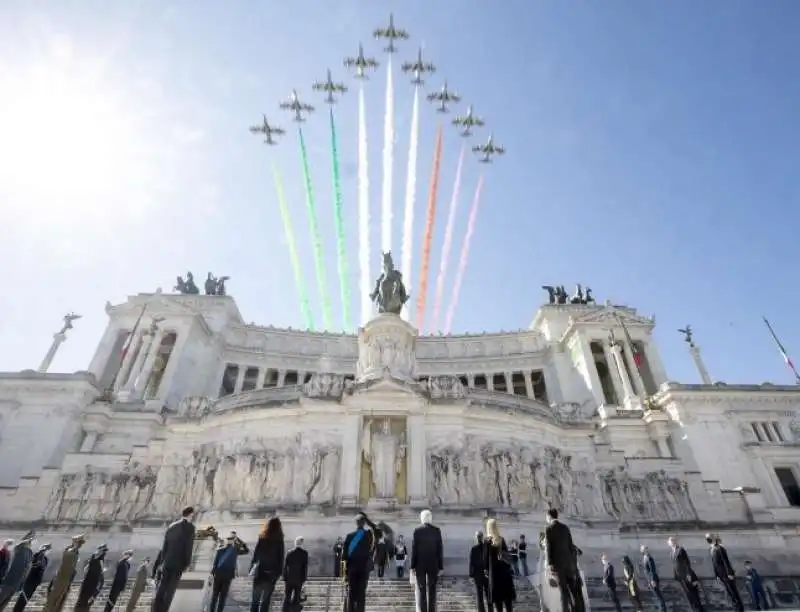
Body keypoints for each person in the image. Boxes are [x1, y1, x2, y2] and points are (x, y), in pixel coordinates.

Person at [152, 505, 197, 612]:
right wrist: (187, 563)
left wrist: (163, 561)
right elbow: (188, 547)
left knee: (162, 587)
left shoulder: (172, 526)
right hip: (179, 563)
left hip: (167, 561)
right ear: (190, 515)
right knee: (170, 590)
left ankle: (156, 609)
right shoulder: (190, 527)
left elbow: (165, 546)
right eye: (193, 515)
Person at [544, 509, 584, 612]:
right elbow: (570, 546)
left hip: (558, 566)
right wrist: (573, 565)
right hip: (569, 565)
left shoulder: (549, 528)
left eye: (546, 517)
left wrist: (549, 564)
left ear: (549, 516)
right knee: (574, 592)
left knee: (563, 593)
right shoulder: (565, 528)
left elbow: (548, 548)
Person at [342, 512, 381, 612]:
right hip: (364, 569)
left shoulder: (349, 536)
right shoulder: (369, 536)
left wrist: (343, 574)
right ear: (364, 523)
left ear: (355, 523)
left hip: (351, 569)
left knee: (350, 593)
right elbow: (378, 531)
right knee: (361, 594)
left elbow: (344, 557)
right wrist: (368, 521)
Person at [250, 517, 286, 612]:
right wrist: (278, 574)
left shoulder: (262, 538)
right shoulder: (279, 540)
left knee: (255, 601)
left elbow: (255, 556)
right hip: (271, 575)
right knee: (265, 602)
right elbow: (281, 558)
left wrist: (251, 569)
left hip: (260, 573)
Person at [42, 533, 85, 612]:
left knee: (58, 600)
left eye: (80, 543)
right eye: (79, 543)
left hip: (65, 579)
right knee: (53, 598)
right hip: (61, 578)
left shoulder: (74, 552)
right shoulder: (69, 551)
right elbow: (67, 557)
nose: (80, 545)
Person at [411, 510, 444, 612]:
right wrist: (441, 566)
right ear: (430, 518)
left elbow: (414, 549)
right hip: (433, 565)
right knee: (432, 589)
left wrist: (412, 566)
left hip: (420, 565)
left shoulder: (417, 530)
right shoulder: (437, 530)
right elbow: (440, 550)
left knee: (421, 589)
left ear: (422, 518)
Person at [707, 534, 743, 612]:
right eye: (707, 538)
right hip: (721, 575)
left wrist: (729, 573)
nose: (708, 539)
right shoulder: (711, 549)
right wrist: (716, 575)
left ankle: (739, 608)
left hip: (727, 574)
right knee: (729, 591)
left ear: (714, 539)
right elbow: (714, 563)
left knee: (733, 591)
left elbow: (725, 561)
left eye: (710, 537)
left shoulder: (720, 548)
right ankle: (736, 606)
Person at [484, 519, 514, 612]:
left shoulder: (487, 541)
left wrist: (486, 571)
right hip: (505, 574)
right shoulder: (501, 539)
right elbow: (508, 556)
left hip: (495, 575)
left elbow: (485, 559)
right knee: (508, 603)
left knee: (498, 604)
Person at [209, 532, 245, 612]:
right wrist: (238, 539)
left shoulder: (221, 549)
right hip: (227, 576)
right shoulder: (235, 550)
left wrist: (212, 574)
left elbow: (215, 563)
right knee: (222, 597)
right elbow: (246, 550)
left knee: (215, 596)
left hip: (219, 575)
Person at [0, 533, 35, 611]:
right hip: (10, 582)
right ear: (29, 541)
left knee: (4, 603)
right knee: (2, 600)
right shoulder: (22, 551)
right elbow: (18, 568)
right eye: (32, 540)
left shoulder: (26, 552)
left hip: (14, 583)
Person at [12, 543, 51, 612]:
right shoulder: (38, 556)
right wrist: (41, 552)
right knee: (22, 600)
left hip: (33, 583)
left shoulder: (44, 558)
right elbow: (35, 567)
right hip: (30, 582)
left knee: (24, 600)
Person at [668, 537, 703, 612]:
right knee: (688, 595)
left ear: (675, 541)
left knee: (693, 594)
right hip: (680, 577)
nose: (671, 542)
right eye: (670, 541)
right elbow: (674, 565)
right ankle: (694, 609)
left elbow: (687, 562)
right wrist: (675, 576)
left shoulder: (680, 550)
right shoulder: (671, 553)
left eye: (672, 541)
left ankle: (699, 609)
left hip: (687, 576)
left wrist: (688, 574)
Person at [283, 537, 308, 612]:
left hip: (289, 578)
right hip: (299, 578)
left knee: (287, 597)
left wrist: (285, 577)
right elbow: (304, 567)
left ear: (295, 543)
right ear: (302, 543)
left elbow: (285, 566)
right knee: (296, 598)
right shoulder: (304, 553)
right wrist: (304, 579)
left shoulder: (289, 552)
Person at [639, 545, 666, 612]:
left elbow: (652, 570)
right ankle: (662, 609)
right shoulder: (644, 557)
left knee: (658, 595)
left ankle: (663, 609)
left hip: (653, 579)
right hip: (649, 579)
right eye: (642, 549)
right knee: (656, 595)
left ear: (646, 550)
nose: (643, 550)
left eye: (644, 549)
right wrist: (648, 581)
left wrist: (652, 580)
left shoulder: (649, 558)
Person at [469, 532, 489, 612]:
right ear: (482, 537)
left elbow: (472, 563)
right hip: (487, 574)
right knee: (488, 595)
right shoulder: (487, 548)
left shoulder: (474, 548)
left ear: (476, 538)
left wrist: (471, 575)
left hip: (477, 574)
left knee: (479, 596)